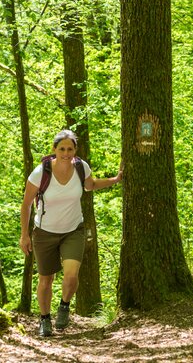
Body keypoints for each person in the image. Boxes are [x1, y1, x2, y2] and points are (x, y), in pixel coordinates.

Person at [19, 129, 122, 337]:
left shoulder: (81, 168)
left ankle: (64, 306)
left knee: (71, 275)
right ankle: (45, 320)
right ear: (54, 150)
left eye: (70, 149)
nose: (66, 153)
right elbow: (26, 205)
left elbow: (91, 186)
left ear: (75, 150)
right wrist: (25, 235)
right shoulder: (41, 173)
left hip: (73, 230)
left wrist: (116, 179)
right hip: (44, 232)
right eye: (62, 149)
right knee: (46, 280)